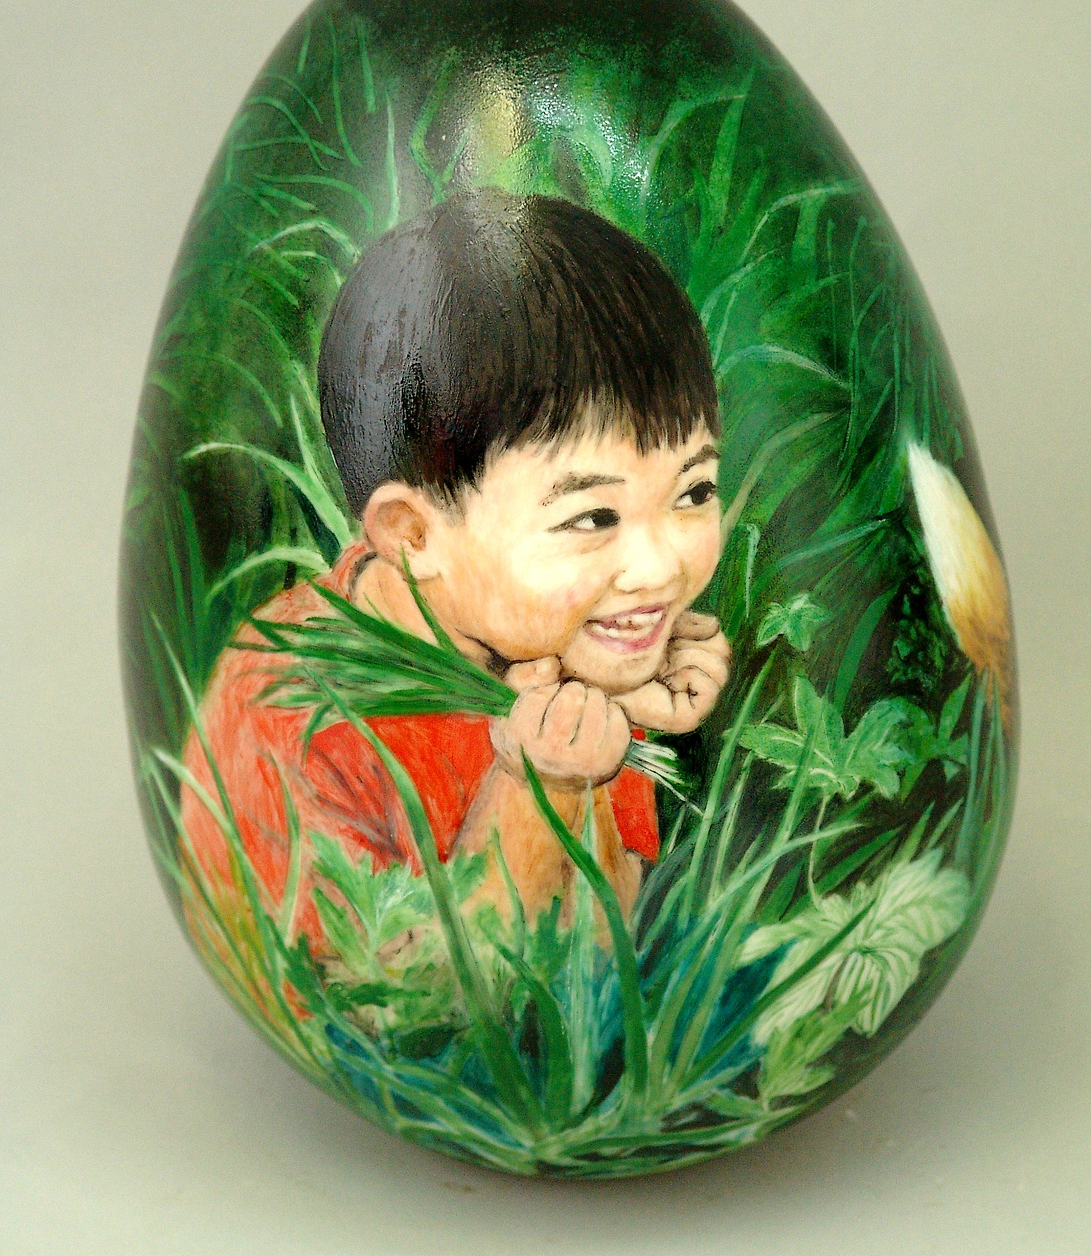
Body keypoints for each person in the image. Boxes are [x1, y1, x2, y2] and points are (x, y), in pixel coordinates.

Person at [180, 188, 730, 959]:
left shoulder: (556, 642)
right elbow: (417, 1005)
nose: (659, 569)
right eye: (591, 518)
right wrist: (543, 784)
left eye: (693, 493)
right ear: (413, 535)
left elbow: (606, 953)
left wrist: (601, 713)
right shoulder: (288, 712)